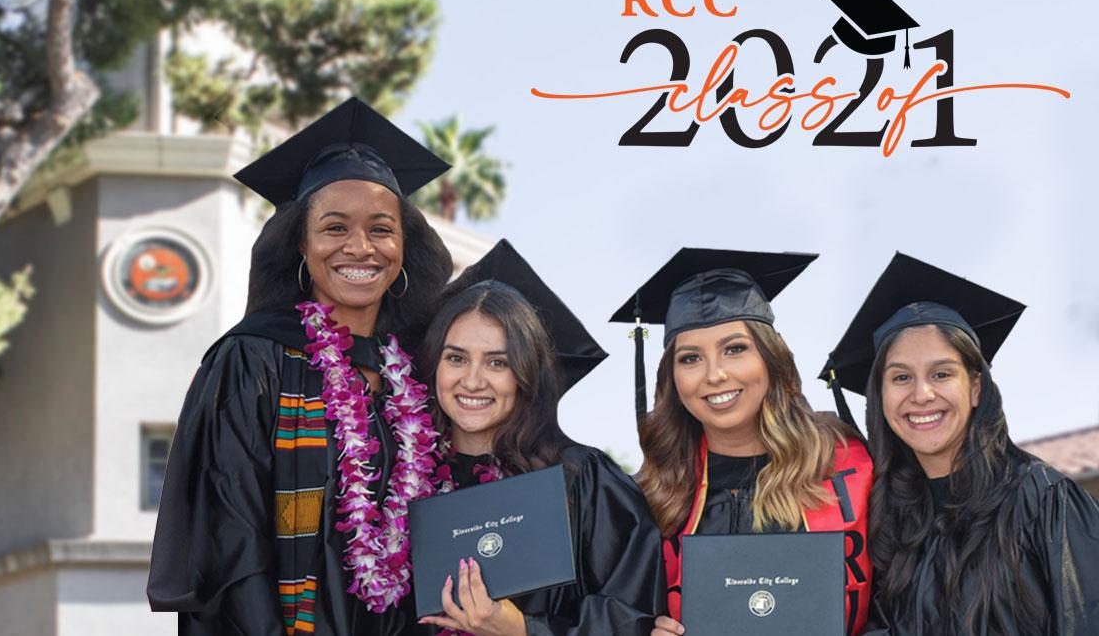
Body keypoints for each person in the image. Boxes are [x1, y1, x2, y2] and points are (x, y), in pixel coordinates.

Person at [147, 98, 454, 635]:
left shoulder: (417, 376)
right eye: (334, 228)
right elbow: (231, 532)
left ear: (405, 245)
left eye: (381, 229)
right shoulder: (253, 359)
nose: (360, 247)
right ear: (301, 244)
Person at [821, 252, 1099, 635]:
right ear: (880, 396)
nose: (921, 394)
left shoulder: (1042, 499)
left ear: (976, 387)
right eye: (901, 377)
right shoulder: (890, 518)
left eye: (941, 374)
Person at [610, 249, 874, 636]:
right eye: (690, 358)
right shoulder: (651, 497)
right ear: (672, 379)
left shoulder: (848, 468)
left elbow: (897, 609)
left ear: (770, 358)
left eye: (735, 349)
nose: (715, 374)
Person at [413, 239, 666, 636]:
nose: (473, 381)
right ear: (434, 364)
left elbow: (634, 615)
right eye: (456, 358)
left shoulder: (583, 480)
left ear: (526, 374)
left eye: (498, 362)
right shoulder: (404, 480)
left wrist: (523, 630)